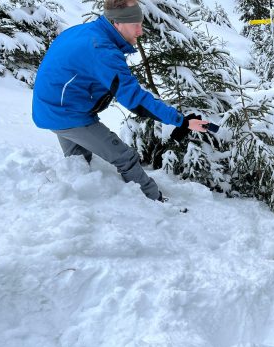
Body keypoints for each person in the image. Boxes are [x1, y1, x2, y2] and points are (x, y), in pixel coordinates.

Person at [32, 0, 209, 201]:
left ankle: (83, 201)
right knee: (124, 157)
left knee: (78, 162)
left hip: (51, 106)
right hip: (66, 113)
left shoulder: (86, 32)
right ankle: (153, 201)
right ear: (117, 23)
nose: (140, 32)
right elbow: (135, 99)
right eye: (136, 25)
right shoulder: (103, 50)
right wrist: (182, 121)